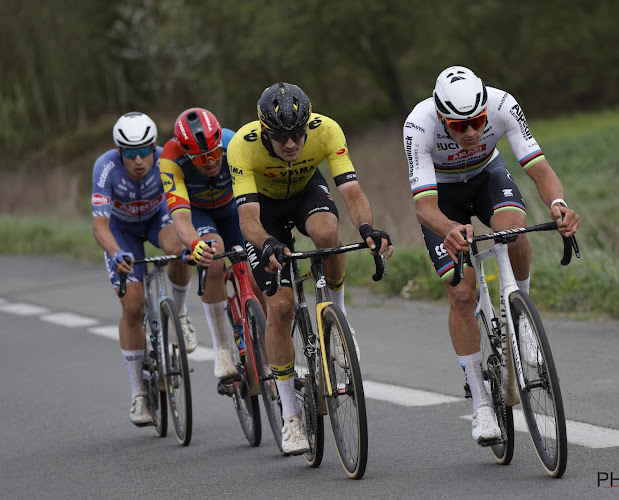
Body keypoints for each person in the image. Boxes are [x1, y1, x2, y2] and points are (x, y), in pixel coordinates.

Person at [402, 66, 579, 445]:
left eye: (477, 123)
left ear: (485, 110)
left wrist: (559, 204)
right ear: (441, 117)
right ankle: (481, 403)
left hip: (487, 177)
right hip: (442, 197)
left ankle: (522, 318)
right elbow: (424, 207)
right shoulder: (418, 125)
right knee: (462, 293)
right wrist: (449, 229)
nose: (469, 133)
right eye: (457, 126)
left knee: (514, 230)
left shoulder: (503, 104)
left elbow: (540, 168)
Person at [229, 82, 394, 455]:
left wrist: (367, 228)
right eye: (282, 137)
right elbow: (247, 219)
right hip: (263, 210)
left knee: (327, 232)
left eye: (298, 134)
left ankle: (337, 311)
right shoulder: (242, 144)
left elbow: (351, 191)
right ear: (265, 132)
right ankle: (290, 415)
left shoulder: (327, 129)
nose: (291, 144)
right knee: (282, 307)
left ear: (308, 124)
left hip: (305, 192)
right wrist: (267, 242)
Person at [91, 112, 197, 426]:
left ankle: (179, 313)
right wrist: (115, 252)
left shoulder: (166, 159)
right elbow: (99, 226)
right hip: (121, 233)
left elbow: (182, 206)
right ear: (119, 152)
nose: (139, 160)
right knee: (134, 307)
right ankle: (139, 394)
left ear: (153, 148)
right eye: (130, 154)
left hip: (156, 220)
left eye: (144, 152)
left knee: (179, 250)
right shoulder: (105, 167)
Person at [159, 107, 262, 381]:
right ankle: (222, 349)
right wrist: (194, 243)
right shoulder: (170, 160)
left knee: (257, 270)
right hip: (199, 213)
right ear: (186, 154)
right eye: (202, 159)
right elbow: (180, 219)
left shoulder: (233, 143)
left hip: (233, 208)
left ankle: (269, 336)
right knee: (212, 257)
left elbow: (257, 192)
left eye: (215, 154)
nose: (211, 162)